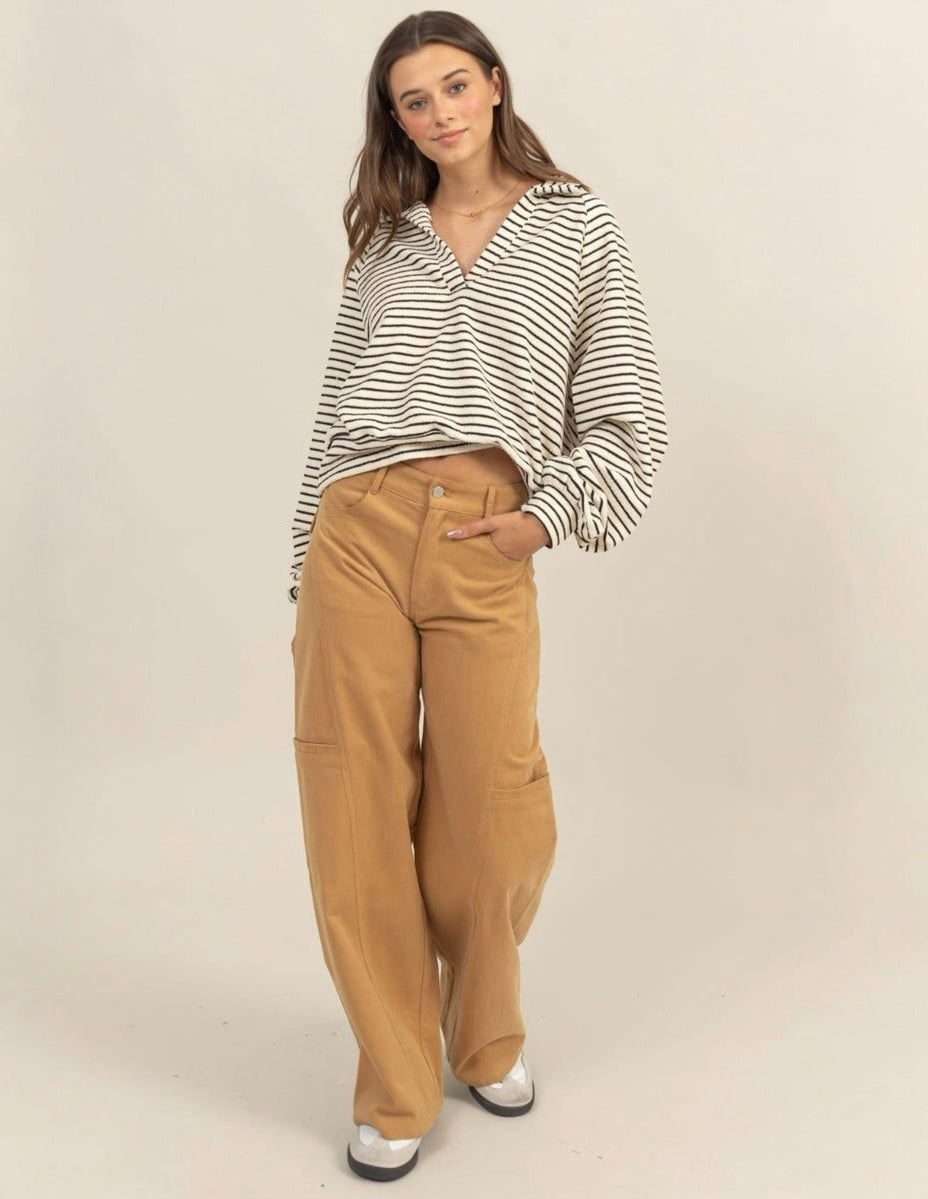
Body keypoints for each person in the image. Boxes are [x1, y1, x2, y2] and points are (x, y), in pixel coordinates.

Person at [288, 11, 667, 1182]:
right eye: (413, 99)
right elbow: (334, 409)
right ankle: (396, 1081)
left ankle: (483, 1028)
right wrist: (306, 555)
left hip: (483, 533)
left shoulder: (575, 225)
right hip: (357, 529)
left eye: (454, 85)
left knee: (494, 817)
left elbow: (627, 414)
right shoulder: (384, 245)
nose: (439, 112)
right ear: (394, 120)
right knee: (354, 814)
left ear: (495, 86)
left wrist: (541, 516)